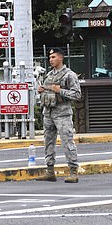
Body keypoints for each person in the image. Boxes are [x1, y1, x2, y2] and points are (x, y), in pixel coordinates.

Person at [36, 47, 82, 183]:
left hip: (62, 113)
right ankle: (49, 171)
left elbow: (77, 94)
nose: (51, 60)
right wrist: (42, 90)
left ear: (61, 58)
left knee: (67, 141)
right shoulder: (49, 75)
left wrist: (60, 90)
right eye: (50, 58)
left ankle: (73, 171)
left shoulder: (69, 75)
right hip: (48, 113)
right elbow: (47, 91)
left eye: (54, 57)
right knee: (48, 142)